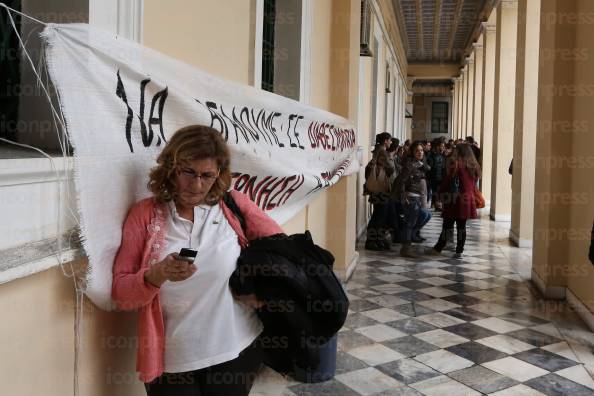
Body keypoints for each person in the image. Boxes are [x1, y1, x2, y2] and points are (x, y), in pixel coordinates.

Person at [112, 125, 284, 395]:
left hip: (236, 349)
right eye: (188, 172)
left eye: (207, 175)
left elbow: (282, 251)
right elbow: (122, 294)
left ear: (218, 176)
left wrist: (263, 291)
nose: (197, 185)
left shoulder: (232, 206)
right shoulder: (144, 215)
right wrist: (156, 274)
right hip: (173, 361)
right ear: (171, 168)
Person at [431, 143, 481, 258]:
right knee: (461, 226)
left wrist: (439, 195)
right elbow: (473, 184)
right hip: (467, 200)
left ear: (459, 152)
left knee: (447, 225)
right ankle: (459, 251)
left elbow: (447, 182)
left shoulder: (457, 165)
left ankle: (438, 248)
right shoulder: (474, 166)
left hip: (455, 200)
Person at [394, 141, 432, 257]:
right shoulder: (410, 165)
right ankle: (406, 248)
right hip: (410, 198)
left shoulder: (421, 164)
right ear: (412, 152)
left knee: (423, 216)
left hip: (417, 198)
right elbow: (401, 181)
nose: (420, 152)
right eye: (417, 150)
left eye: (421, 150)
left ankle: (409, 238)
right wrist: (402, 195)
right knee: (409, 223)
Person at [364, 132, 395, 250]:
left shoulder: (377, 150)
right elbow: (391, 168)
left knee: (378, 215)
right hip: (381, 189)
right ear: (386, 141)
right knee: (379, 216)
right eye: (390, 140)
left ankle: (376, 240)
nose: (391, 142)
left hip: (377, 188)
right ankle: (372, 241)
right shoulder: (382, 152)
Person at [427, 139, 447, 209]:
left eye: (443, 146)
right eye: (441, 146)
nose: (443, 148)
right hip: (435, 177)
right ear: (437, 147)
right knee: (435, 192)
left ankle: (437, 204)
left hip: (441, 177)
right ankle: (435, 204)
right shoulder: (432, 155)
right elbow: (431, 166)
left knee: (439, 192)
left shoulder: (444, 156)